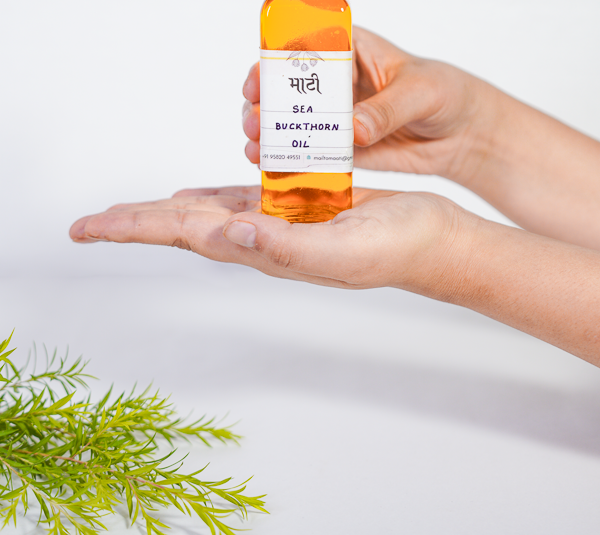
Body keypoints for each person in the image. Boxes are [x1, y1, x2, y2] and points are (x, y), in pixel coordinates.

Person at [70, 27, 600, 366]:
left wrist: (450, 251)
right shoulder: (287, 4)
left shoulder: (328, 4)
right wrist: (474, 136)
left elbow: (447, 249)